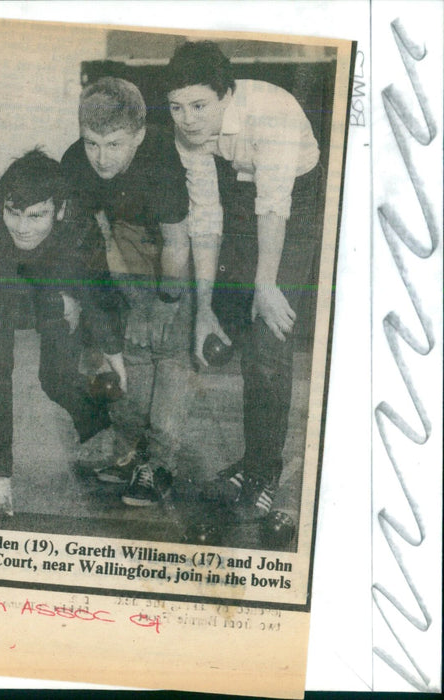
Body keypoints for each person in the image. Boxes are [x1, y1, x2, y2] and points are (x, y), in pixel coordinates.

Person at [163, 41, 323, 517]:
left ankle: (263, 473)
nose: (188, 119)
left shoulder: (270, 112)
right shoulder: (188, 134)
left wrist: (266, 285)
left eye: (199, 106)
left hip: (298, 198)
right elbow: (206, 218)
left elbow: (274, 205)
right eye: (176, 107)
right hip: (242, 192)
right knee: (243, 336)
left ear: (226, 95)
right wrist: (205, 308)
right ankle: (253, 460)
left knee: (268, 345)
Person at [0, 150, 126, 516]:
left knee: (57, 378)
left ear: (60, 210)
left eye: (36, 215)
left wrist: (112, 349)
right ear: (2, 203)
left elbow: (96, 289)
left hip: (57, 278)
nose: (22, 227)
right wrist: (54, 303)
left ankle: (98, 424)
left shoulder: (79, 223)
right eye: (14, 213)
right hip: (6, 290)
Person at [61, 77, 194, 507]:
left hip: (175, 240)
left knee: (170, 349)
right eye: (92, 143)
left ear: (137, 136)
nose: (101, 158)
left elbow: (176, 242)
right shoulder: (74, 163)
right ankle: (130, 448)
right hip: (116, 232)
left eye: (115, 144)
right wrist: (110, 308)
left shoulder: (161, 162)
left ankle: (161, 462)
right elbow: (86, 248)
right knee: (124, 344)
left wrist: (167, 305)